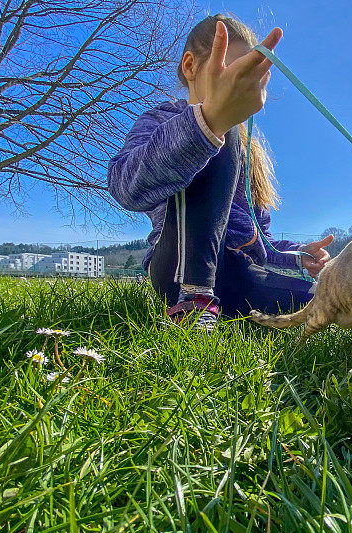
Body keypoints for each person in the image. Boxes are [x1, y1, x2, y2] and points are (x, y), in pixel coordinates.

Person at [108, 15, 333, 332]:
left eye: (248, 75)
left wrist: (298, 256)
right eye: (230, 71)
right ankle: (193, 304)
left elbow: (258, 240)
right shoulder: (162, 120)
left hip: (240, 275)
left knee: (327, 297)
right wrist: (207, 123)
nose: (238, 83)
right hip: (178, 268)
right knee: (215, 133)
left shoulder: (250, 151)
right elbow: (124, 186)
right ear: (190, 67)